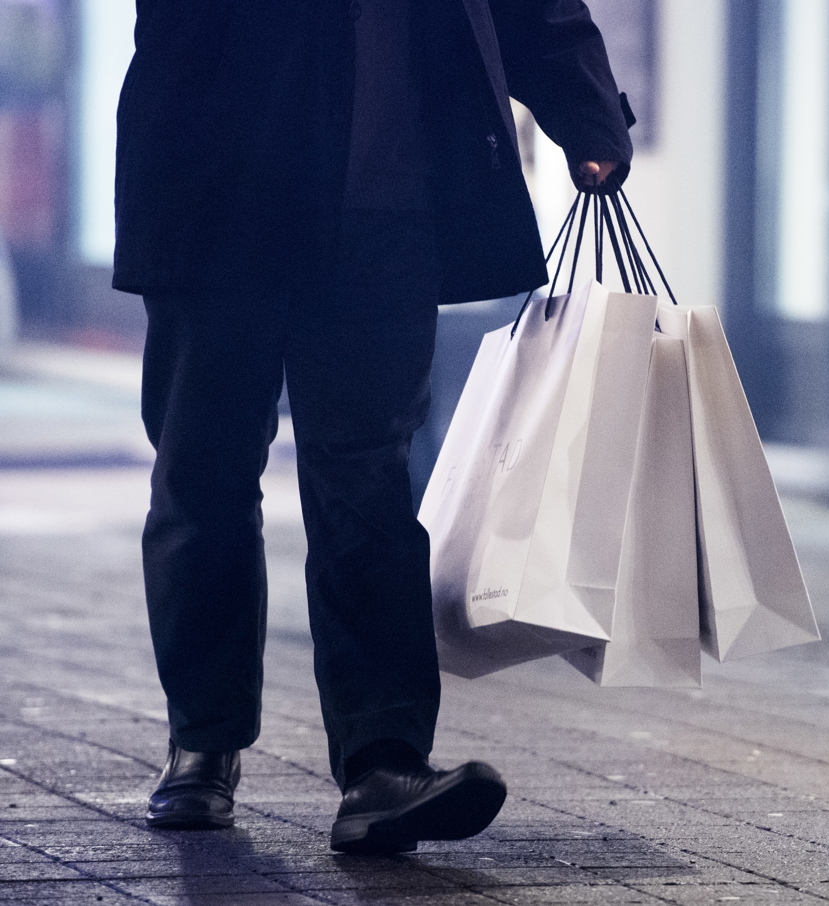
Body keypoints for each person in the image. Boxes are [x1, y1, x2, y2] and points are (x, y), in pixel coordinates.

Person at [113, 0, 631, 853]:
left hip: (384, 204)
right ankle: (203, 741)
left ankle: (382, 763)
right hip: (218, 187)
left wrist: (585, 112)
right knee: (202, 472)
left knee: (369, 480)